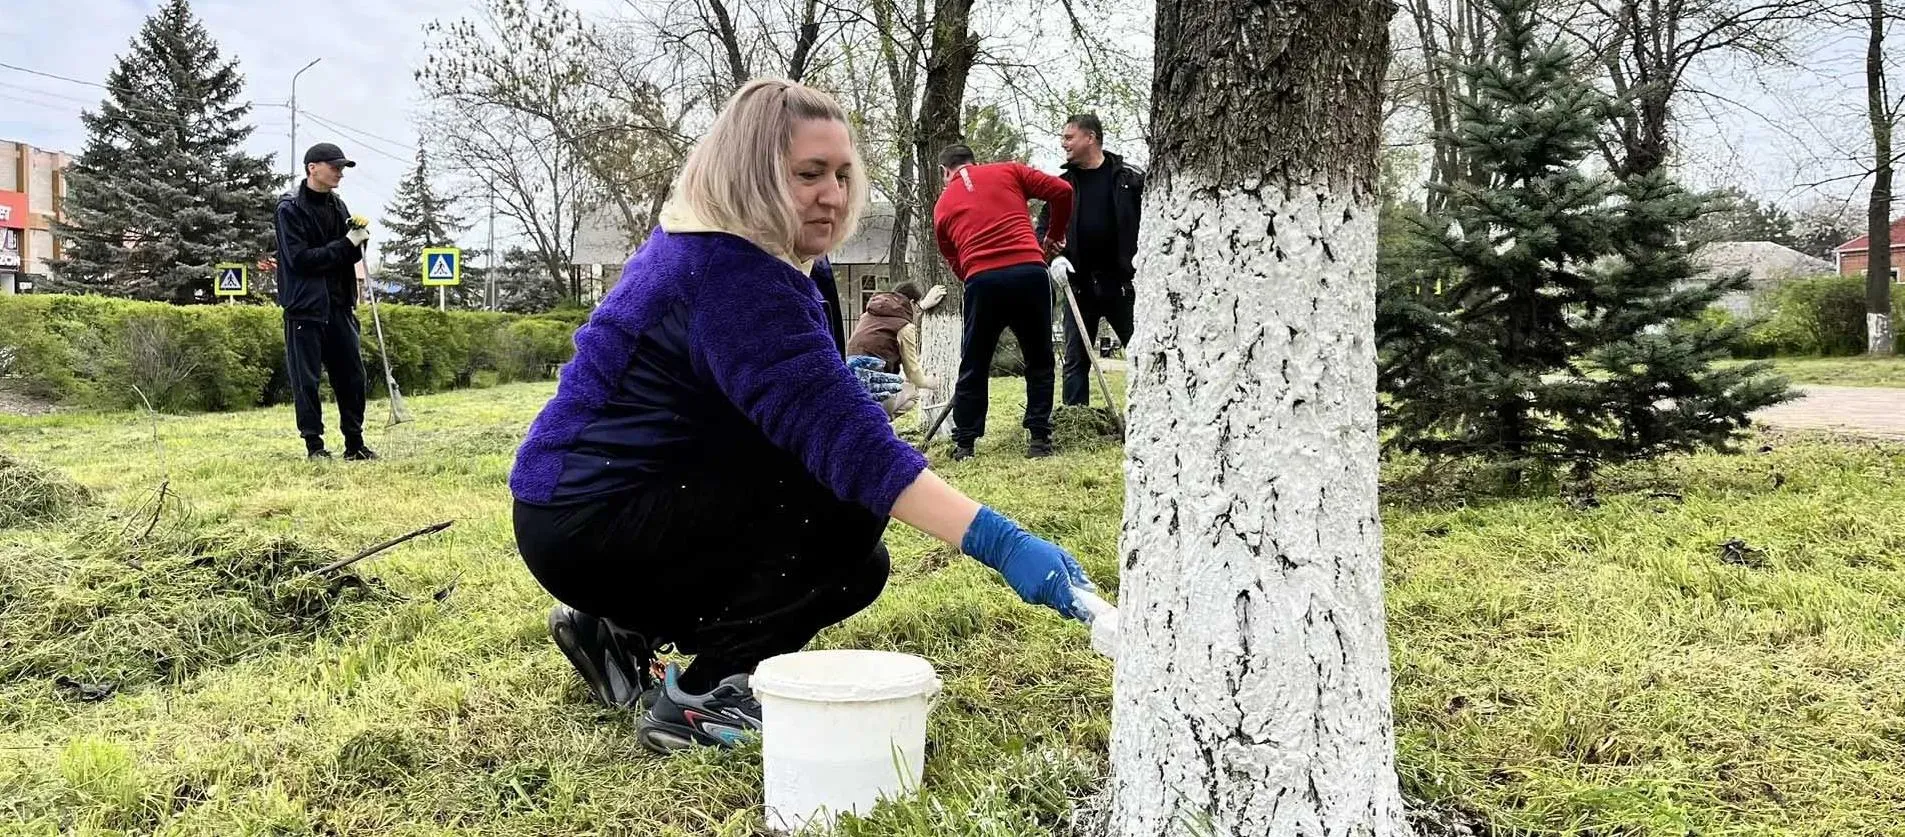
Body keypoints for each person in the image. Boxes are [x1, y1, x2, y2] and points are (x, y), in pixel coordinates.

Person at [508, 79, 1095, 754]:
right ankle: (699, 700)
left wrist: (839, 384)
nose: (834, 194)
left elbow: (772, 395)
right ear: (749, 173)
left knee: (845, 538)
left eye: (844, 174)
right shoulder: (729, 270)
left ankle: (615, 630)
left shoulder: (764, 255)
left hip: (594, 503)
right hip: (594, 513)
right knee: (844, 517)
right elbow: (851, 447)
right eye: (808, 173)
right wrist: (1002, 542)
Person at [931, 144, 1073, 461]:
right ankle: (1039, 441)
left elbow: (953, 259)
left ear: (945, 172)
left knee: (974, 363)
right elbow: (1062, 191)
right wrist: (1054, 236)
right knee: (1039, 359)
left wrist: (975, 274)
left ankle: (964, 444)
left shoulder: (941, 206)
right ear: (974, 161)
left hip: (983, 281)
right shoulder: (1010, 170)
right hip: (1030, 272)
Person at [274, 142, 376, 461]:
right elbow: (301, 259)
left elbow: (346, 255)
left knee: (352, 376)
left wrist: (359, 243)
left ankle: (354, 443)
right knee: (307, 380)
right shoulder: (289, 208)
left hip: (340, 304)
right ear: (312, 168)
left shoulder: (338, 206)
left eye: (342, 168)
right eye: (334, 167)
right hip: (304, 307)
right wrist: (346, 244)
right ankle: (314, 446)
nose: (339, 173)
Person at [1036, 114, 1145, 407]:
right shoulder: (1061, 187)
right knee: (1075, 359)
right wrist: (1055, 258)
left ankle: (1150, 414)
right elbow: (1042, 232)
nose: (1063, 144)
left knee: (1143, 352)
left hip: (1124, 285)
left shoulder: (1129, 180)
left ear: (1090, 137)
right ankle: (1075, 420)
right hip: (1079, 286)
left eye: (1069, 137)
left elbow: (1152, 222)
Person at [846, 281, 947, 417]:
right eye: (917, 305)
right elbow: (912, 373)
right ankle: (880, 423)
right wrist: (929, 383)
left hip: (849, 385)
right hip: (874, 389)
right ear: (911, 302)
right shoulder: (904, 328)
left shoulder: (868, 316)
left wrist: (921, 307)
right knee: (912, 393)